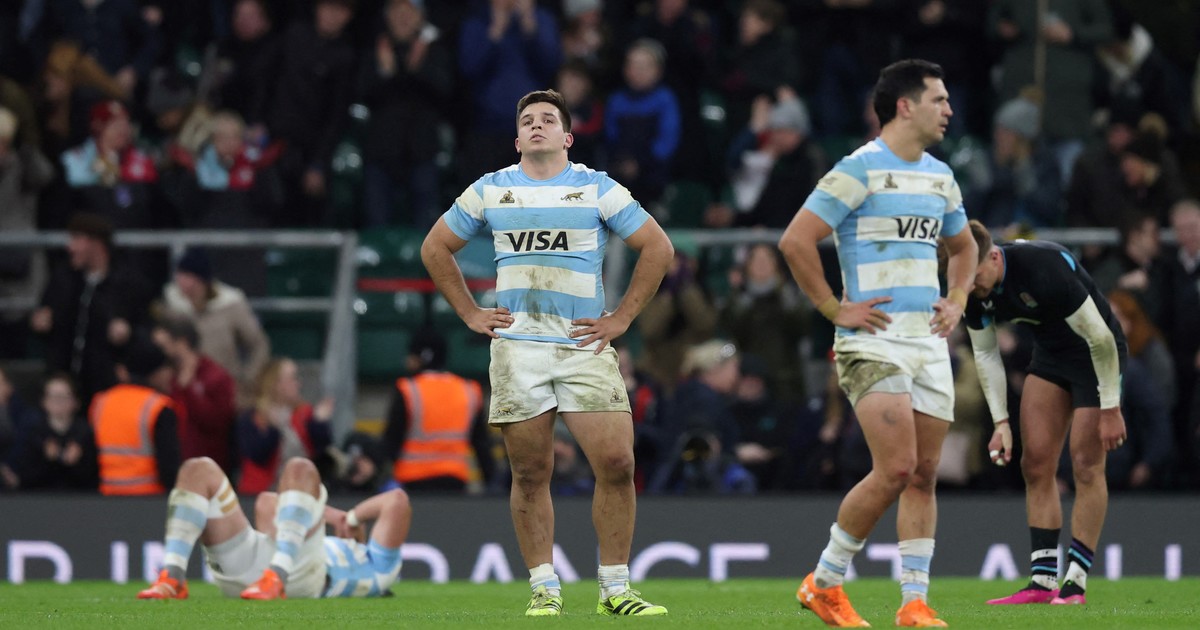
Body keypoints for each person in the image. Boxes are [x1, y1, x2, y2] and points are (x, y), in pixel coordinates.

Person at [421, 88, 674, 616]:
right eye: (528, 121)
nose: (537, 125)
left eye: (548, 119)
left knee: (617, 462)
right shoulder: (491, 189)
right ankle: (544, 587)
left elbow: (658, 246)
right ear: (517, 139)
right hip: (518, 350)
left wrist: (622, 317)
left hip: (583, 343)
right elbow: (435, 247)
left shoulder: (597, 188)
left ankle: (615, 589)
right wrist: (469, 312)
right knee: (531, 472)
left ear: (567, 137)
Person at [777, 59, 978, 628]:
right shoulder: (857, 170)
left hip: (928, 341)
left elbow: (965, 247)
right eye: (939, 99)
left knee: (924, 474)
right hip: (873, 341)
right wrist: (832, 308)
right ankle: (825, 581)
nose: (949, 110)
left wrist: (957, 298)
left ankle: (913, 603)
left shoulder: (940, 176)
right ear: (905, 106)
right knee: (897, 468)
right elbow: (796, 240)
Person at [963, 220, 1127, 606]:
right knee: (1035, 464)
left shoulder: (1043, 267)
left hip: (1095, 354)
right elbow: (986, 354)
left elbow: (1100, 338)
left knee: (1086, 465)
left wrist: (1110, 408)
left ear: (993, 257)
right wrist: (1001, 423)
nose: (970, 286)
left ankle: (1075, 583)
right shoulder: (969, 288)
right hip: (1051, 353)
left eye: (974, 276)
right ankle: (1042, 581)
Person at [136, 455, 411, 600]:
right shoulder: (322, 543)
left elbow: (396, 501)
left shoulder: (381, 569)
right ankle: (173, 577)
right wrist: (340, 519)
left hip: (305, 579)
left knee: (301, 469)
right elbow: (266, 504)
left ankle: (277, 577)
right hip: (257, 572)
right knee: (197, 469)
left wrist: (349, 519)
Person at [382, 328, 494, 493]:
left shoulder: (408, 389)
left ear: (421, 356)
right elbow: (481, 445)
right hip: (455, 482)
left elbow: (391, 441)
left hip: (412, 482)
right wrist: (492, 484)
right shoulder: (470, 390)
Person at [162, 248, 271, 408]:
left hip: (225, 393)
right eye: (179, 274)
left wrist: (247, 379)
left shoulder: (230, 304)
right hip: (185, 393)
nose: (179, 280)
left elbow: (258, 344)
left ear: (200, 279)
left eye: (186, 275)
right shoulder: (172, 307)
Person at [90, 339, 181, 496]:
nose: (170, 376)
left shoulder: (100, 402)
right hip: (148, 497)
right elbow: (169, 466)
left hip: (107, 496)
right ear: (156, 373)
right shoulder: (158, 406)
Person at [153, 315, 238, 475]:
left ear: (182, 343)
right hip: (175, 465)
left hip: (209, 468)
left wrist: (188, 389)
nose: (162, 352)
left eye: (165, 346)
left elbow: (218, 422)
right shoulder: (167, 377)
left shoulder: (215, 377)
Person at [235, 357, 333, 495]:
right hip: (260, 493)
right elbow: (257, 456)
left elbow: (321, 448)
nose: (298, 383)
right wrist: (272, 429)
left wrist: (319, 422)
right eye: (293, 378)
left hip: (299, 491)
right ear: (275, 383)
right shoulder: (253, 417)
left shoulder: (304, 413)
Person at [7, 373, 98, 491]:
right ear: (44, 401)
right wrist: (46, 459)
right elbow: (23, 477)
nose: (58, 402)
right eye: (54, 397)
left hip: (79, 497)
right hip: (39, 497)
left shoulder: (85, 432)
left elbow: (92, 477)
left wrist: (77, 462)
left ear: (75, 401)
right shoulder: (33, 432)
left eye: (64, 397)